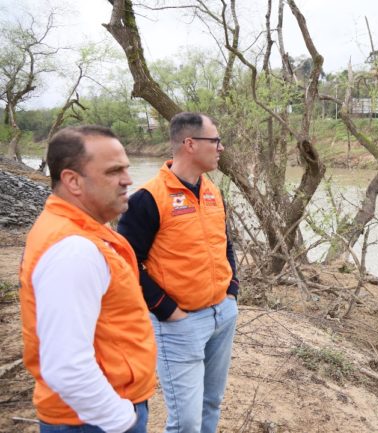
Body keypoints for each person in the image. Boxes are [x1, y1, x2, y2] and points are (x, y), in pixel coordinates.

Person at [18, 126, 157, 433]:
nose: (128, 180)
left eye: (127, 168)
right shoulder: (74, 250)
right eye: (114, 171)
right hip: (91, 420)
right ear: (72, 181)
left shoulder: (80, 231)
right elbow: (66, 366)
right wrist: (120, 420)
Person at [117, 112, 239, 433]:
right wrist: (167, 311)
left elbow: (225, 244)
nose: (220, 148)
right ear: (189, 144)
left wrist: (232, 293)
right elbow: (126, 263)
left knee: (211, 404)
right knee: (186, 421)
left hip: (222, 317)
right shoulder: (147, 199)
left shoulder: (212, 190)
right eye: (215, 141)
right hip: (180, 325)